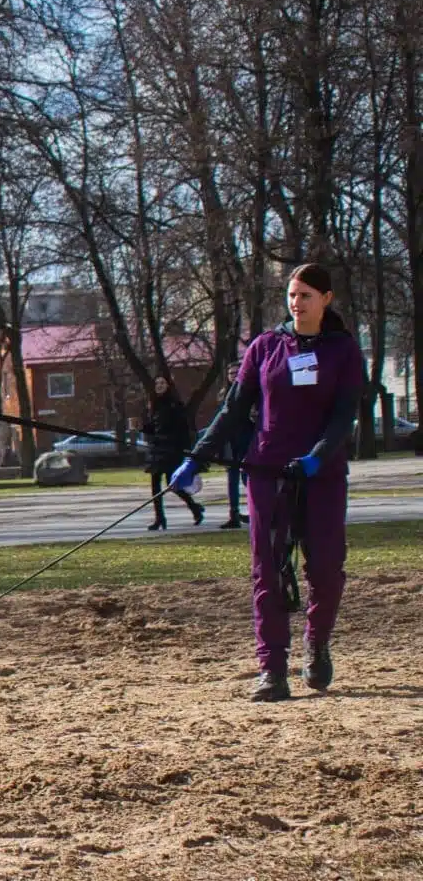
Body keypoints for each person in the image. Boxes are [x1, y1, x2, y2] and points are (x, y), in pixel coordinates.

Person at [178, 263, 364, 702]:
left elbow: (344, 415)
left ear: (326, 300)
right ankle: (272, 669)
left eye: (305, 296)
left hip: (322, 475)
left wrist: (318, 457)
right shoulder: (265, 348)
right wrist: (197, 458)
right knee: (268, 571)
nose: (296, 303)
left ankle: (316, 643)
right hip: (267, 472)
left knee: (326, 570)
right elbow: (233, 409)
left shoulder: (343, 350)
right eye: (292, 295)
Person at [144, 377, 205, 531]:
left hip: (171, 450)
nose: (159, 386)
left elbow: (183, 429)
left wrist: (184, 449)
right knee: (155, 486)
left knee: (173, 484)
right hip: (157, 450)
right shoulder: (153, 405)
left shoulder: (175, 405)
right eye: (157, 383)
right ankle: (159, 518)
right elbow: (152, 428)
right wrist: (143, 427)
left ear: (168, 386)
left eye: (162, 383)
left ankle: (195, 508)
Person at [221, 367, 252, 531]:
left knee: (247, 477)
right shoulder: (225, 395)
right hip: (230, 441)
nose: (233, 376)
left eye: (236, 372)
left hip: (246, 438)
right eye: (230, 373)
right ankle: (233, 514)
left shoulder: (249, 390)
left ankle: (255, 509)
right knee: (231, 478)